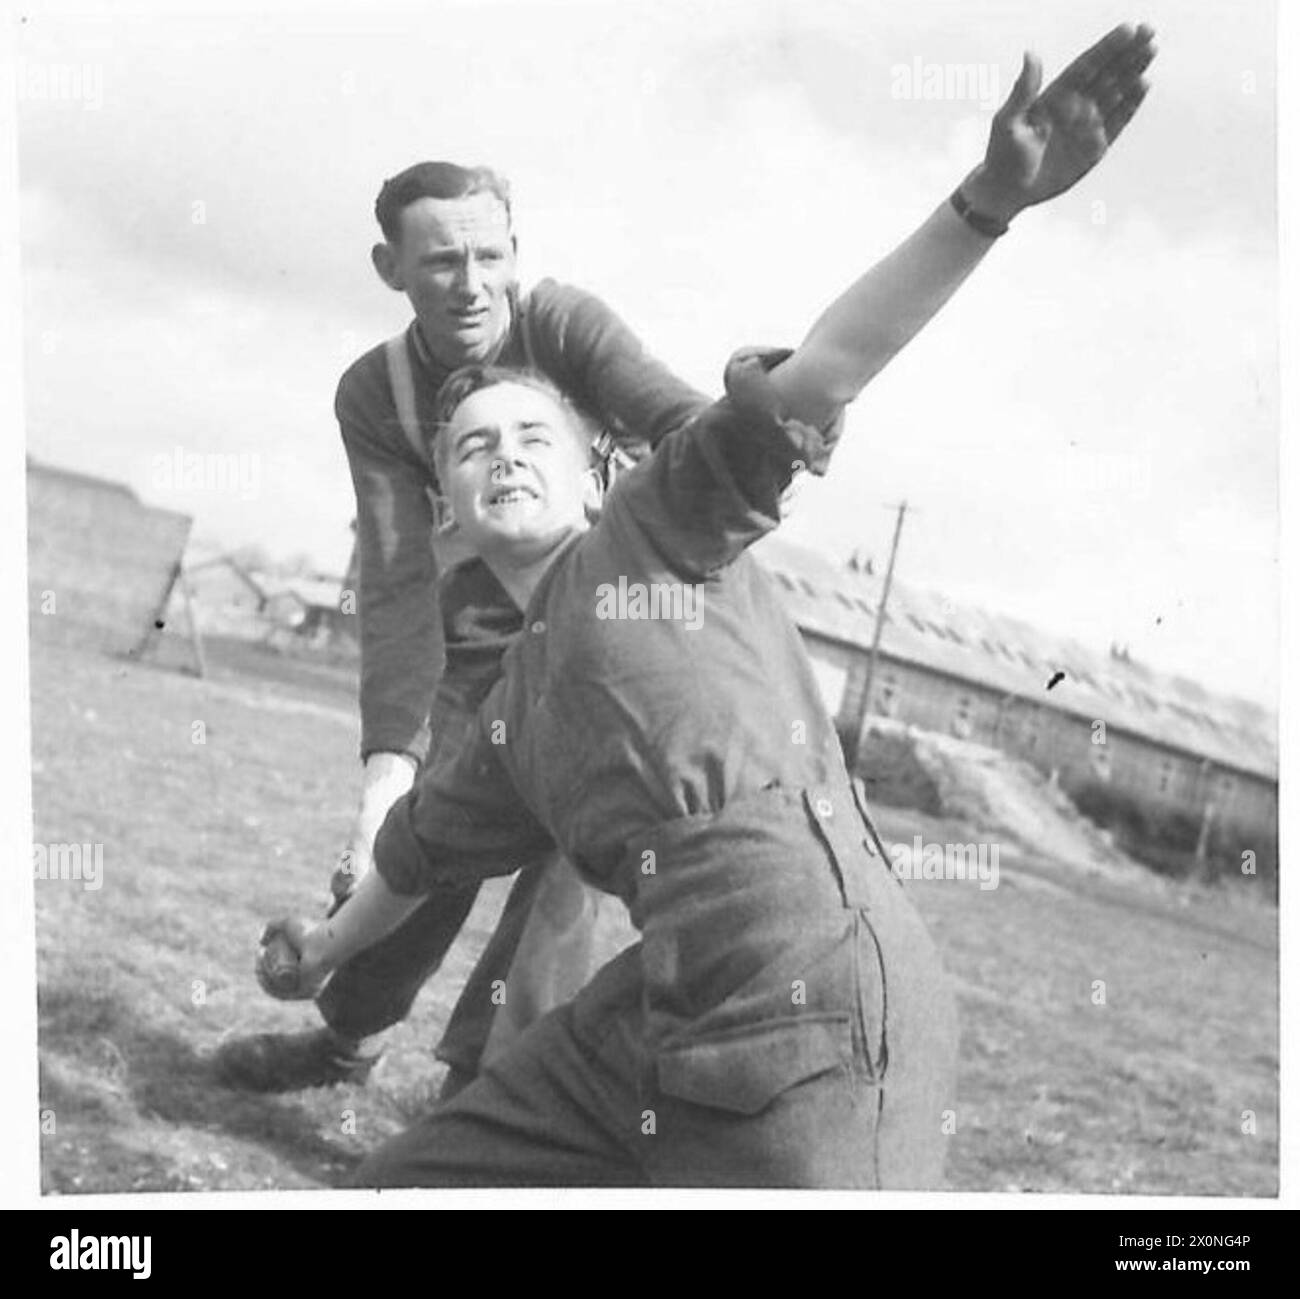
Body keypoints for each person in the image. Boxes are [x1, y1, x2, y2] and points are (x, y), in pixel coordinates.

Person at [261, 23, 1156, 1186]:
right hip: (649, 1021)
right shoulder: (506, 719)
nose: (504, 455)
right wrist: (317, 953)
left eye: (535, 433)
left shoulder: (661, 520)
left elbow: (825, 368)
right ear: (451, 515)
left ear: (597, 473)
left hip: (818, 1003)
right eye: (473, 446)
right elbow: (414, 859)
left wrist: (983, 204)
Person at [216, 160, 706, 1094]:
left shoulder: (564, 327)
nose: (472, 283)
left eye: (490, 254)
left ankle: (483, 1097)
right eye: (441, 261)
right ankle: (346, 1042)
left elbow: (683, 422)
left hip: (609, 645)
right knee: (413, 854)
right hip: (471, 657)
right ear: (388, 267)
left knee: (572, 880)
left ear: (516, 251)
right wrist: (378, 800)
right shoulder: (377, 393)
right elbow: (397, 586)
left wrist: (766, 420)